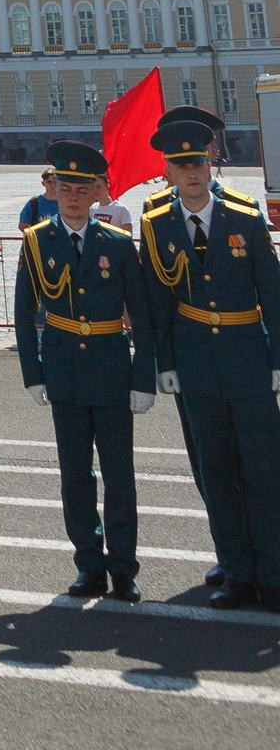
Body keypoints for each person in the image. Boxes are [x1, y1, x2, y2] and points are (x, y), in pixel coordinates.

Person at [139, 107, 280, 610]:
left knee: (264, 469)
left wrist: (278, 357)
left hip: (247, 356)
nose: (192, 172)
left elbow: (273, 290)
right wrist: (164, 361)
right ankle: (237, 573)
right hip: (196, 362)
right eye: (182, 167)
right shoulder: (156, 226)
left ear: (209, 164)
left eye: (198, 163)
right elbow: (158, 298)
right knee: (215, 470)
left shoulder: (244, 216)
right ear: (169, 172)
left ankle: (273, 572)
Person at [14, 138, 154, 601]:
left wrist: (143, 376)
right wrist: (32, 373)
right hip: (64, 370)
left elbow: (141, 313)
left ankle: (124, 568)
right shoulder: (37, 242)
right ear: (53, 190)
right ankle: (88, 565)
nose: (73, 195)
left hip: (112, 365)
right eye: (64, 186)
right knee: (75, 472)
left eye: (82, 187)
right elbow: (23, 310)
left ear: (98, 192)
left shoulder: (116, 243)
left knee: (119, 474)